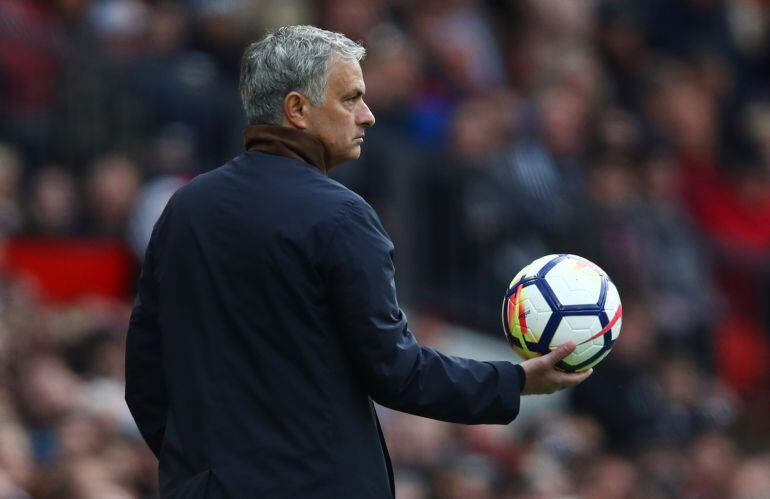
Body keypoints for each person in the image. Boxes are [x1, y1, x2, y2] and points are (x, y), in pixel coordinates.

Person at [124, 25, 592, 499]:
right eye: (351, 99)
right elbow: (396, 372)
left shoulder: (185, 209)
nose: (367, 116)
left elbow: (145, 376)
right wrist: (514, 381)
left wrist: (198, 473)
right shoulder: (341, 215)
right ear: (297, 110)